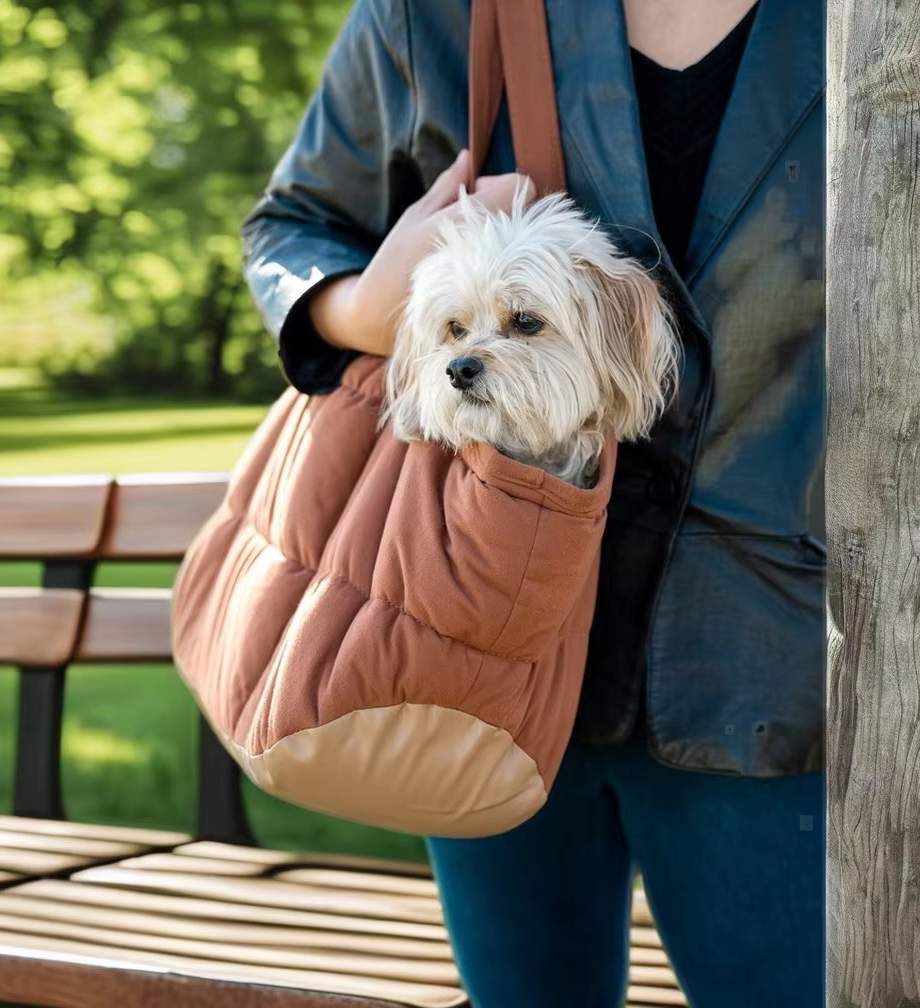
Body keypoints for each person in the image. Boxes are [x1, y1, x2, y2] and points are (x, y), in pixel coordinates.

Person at [241, 0, 826, 1005]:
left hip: (781, 647)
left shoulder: (913, 22)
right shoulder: (428, 14)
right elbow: (290, 229)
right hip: (476, 631)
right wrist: (371, 308)